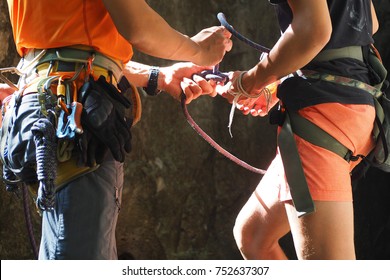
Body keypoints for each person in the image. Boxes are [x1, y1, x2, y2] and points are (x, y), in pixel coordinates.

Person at [1, 0, 231, 259]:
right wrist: (199, 49)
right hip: (76, 122)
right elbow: (136, 26)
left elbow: (69, 50)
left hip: (47, 106)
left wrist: (157, 76)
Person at [217, 0, 382, 259]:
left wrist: (249, 83)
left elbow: (313, 30)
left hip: (321, 119)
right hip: (357, 108)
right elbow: (368, 21)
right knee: (254, 237)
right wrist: (278, 81)